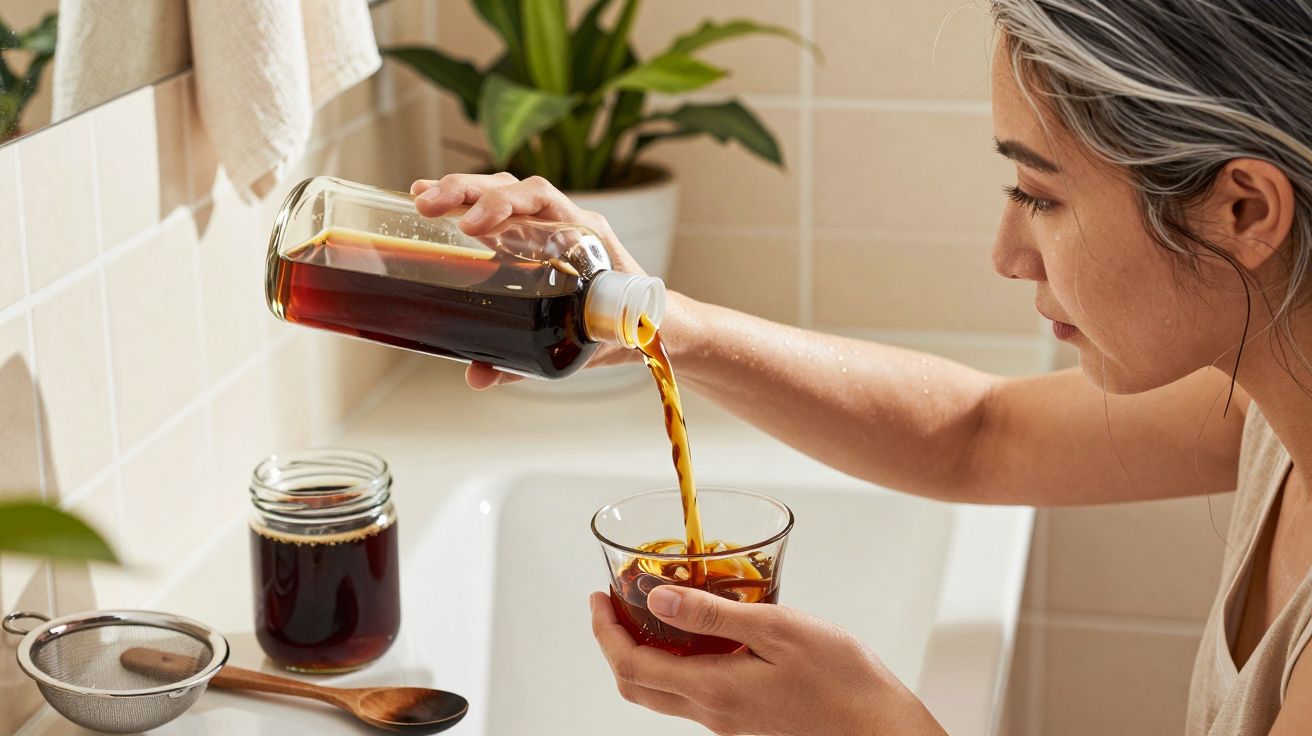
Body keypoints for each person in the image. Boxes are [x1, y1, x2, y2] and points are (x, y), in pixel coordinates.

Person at [408, 1, 1312, 733]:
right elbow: (978, 438)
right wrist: (657, 319)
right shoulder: (1271, 410)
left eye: (1040, 195)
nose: (1006, 254)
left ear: (1241, 210)